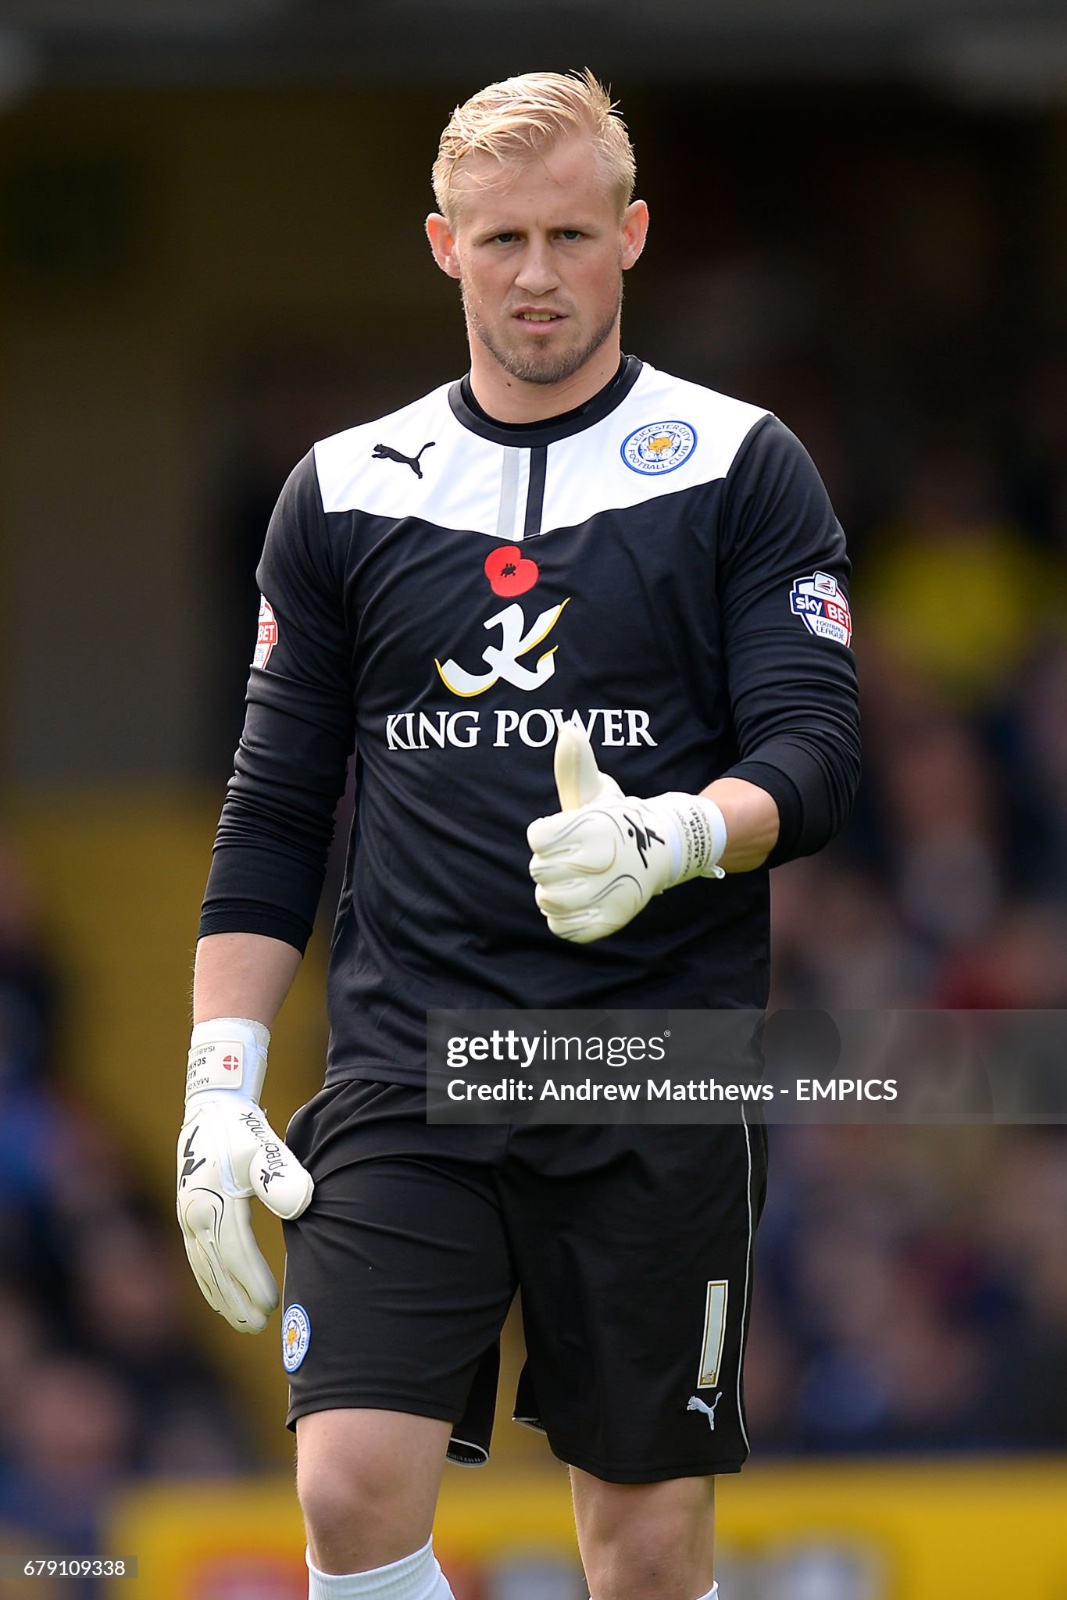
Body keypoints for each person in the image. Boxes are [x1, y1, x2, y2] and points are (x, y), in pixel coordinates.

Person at [176, 71, 860, 1600]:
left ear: (632, 235)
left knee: (645, 1547)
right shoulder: (341, 491)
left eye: (568, 235)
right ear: (445, 247)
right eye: (501, 240)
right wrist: (217, 1087)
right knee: (349, 1486)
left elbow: (816, 758)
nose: (536, 275)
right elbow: (275, 809)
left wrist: (677, 835)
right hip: (411, 1061)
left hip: (653, 1068)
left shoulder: (741, 462)